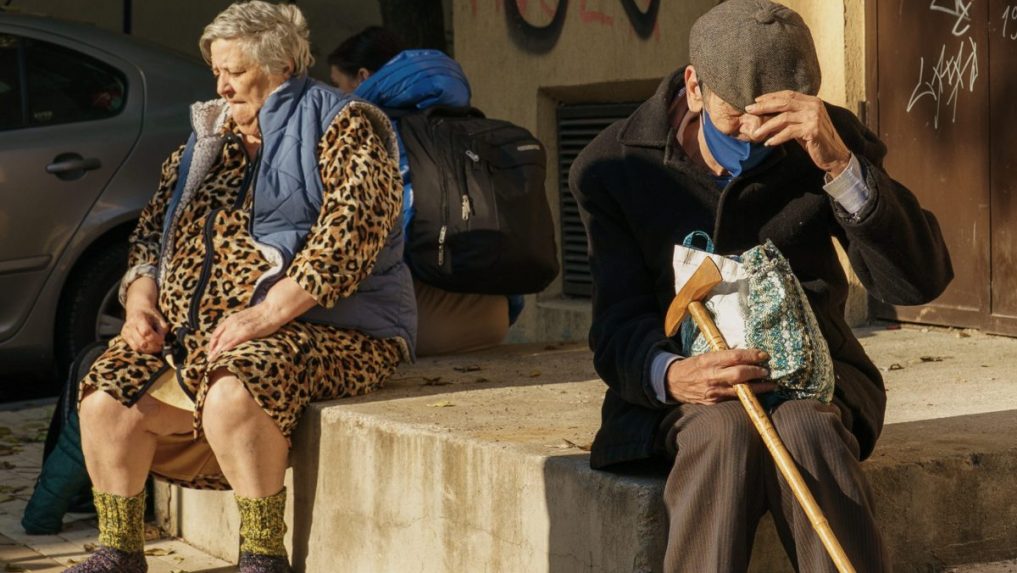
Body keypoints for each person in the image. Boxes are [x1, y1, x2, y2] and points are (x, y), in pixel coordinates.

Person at [568, 1, 952, 571]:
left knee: (806, 428)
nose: (754, 136)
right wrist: (671, 375)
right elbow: (616, 324)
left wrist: (841, 168)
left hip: (814, 376)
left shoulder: (824, 138)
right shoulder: (614, 166)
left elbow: (918, 278)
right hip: (688, 393)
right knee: (723, 433)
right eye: (737, 116)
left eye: (773, 119)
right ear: (695, 87)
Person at [69, 3, 414, 572]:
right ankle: (120, 551)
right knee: (106, 390)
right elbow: (151, 235)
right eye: (217, 72)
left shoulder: (344, 121)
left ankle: (260, 555)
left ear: (279, 65)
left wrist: (268, 313)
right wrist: (140, 301)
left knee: (238, 381)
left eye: (234, 71)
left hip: (335, 329)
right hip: (203, 336)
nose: (222, 86)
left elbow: (354, 231)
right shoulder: (209, 141)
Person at [328, 27, 523, 356]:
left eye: (337, 85)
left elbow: (372, 244)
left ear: (361, 77)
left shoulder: (378, 134)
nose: (335, 96)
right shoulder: (469, 126)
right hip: (495, 319)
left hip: (420, 326)